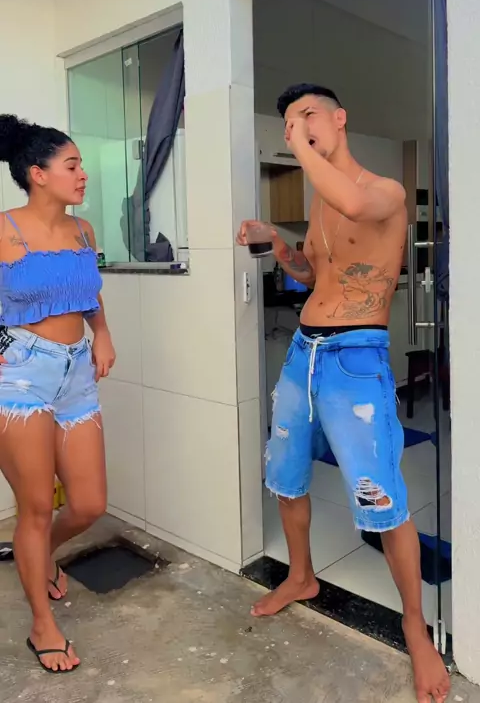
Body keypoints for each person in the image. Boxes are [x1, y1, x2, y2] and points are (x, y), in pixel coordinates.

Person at [236, 84, 450, 703]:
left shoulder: (384, 191)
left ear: (339, 118)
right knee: (285, 473)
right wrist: (278, 244)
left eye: (307, 116)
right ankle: (302, 576)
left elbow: (355, 204)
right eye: (288, 121)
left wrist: (303, 150)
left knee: (380, 492)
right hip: (302, 353)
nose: (296, 127)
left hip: (355, 359)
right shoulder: (319, 199)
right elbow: (314, 273)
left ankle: (415, 627)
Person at [0, 114, 116, 673]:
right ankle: (41, 625)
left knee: (89, 503)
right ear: (37, 173)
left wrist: (103, 334)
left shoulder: (83, 231)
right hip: (21, 374)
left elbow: (88, 291)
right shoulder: (5, 230)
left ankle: (38, 556)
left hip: (76, 373)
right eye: (72, 165)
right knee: (37, 508)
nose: (83, 174)